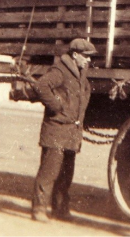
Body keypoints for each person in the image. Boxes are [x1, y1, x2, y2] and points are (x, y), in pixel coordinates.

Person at [31, 38, 95, 222]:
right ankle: (39, 209)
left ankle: (60, 209)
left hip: (70, 132)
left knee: (66, 174)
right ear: (75, 55)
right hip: (57, 130)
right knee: (49, 172)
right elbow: (41, 86)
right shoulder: (60, 70)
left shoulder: (80, 72)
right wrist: (57, 107)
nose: (89, 60)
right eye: (86, 56)